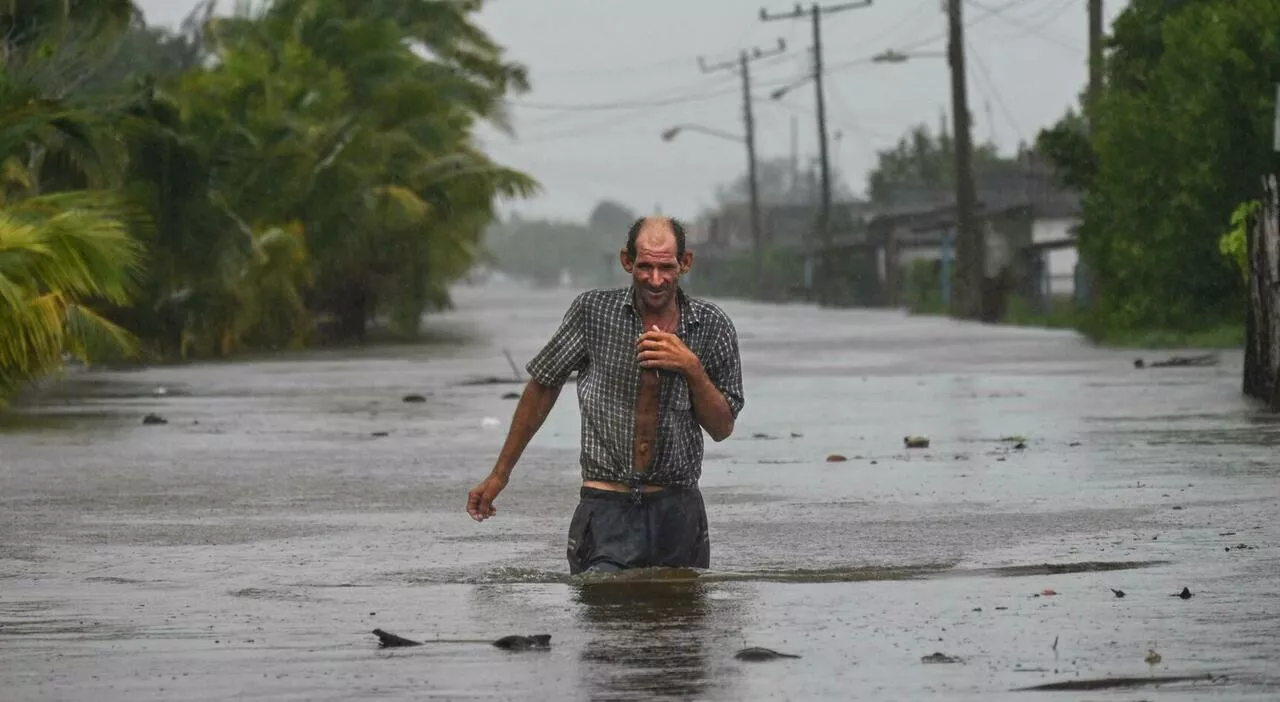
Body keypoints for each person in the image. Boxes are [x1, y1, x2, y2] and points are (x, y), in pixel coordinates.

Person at [465, 215, 745, 574]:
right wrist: (499, 475)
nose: (655, 280)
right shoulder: (593, 313)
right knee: (603, 619)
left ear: (685, 263)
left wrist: (691, 368)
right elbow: (542, 386)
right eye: (645, 266)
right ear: (627, 261)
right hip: (606, 505)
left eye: (666, 267)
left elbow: (722, 427)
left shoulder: (712, 326)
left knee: (679, 625)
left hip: (678, 508)